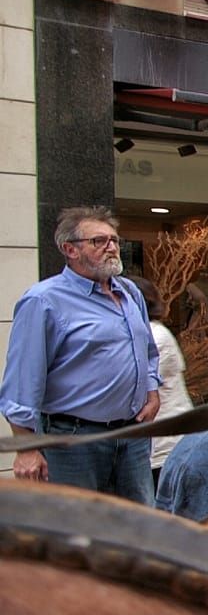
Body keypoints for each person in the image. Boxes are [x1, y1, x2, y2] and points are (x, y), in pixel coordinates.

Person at [0, 207, 161, 503]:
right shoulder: (43, 300)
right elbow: (23, 379)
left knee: (139, 531)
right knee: (79, 533)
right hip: (73, 442)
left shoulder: (130, 293)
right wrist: (26, 448)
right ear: (69, 249)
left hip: (132, 437)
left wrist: (152, 390)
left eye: (114, 240)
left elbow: (148, 350)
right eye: (99, 241)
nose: (112, 247)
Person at [129, 275, 196, 479]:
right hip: (155, 442)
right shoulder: (141, 333)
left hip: (167, 442)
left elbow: (135, 383)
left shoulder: (155, 336)